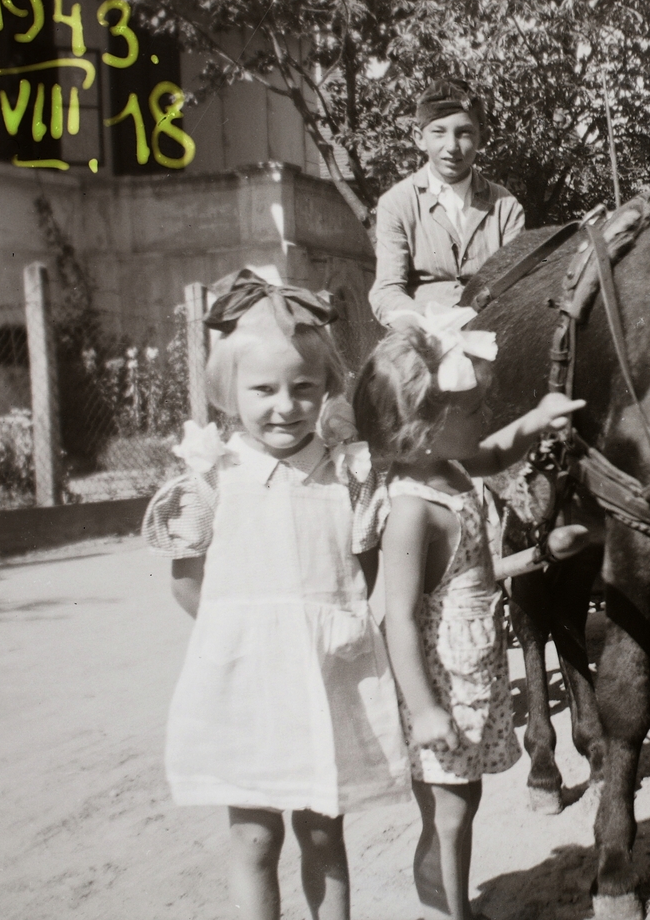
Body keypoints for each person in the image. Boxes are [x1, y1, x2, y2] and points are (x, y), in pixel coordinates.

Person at [142, 268, 407, 920]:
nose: (285, 405)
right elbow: (187, 579)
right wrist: (235, 641)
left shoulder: (345, 469)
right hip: (251, 685)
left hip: (327, 676)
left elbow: (371, 563)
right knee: (254, 835)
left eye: (303, 388)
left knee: (324, 830)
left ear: (326, 389)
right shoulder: (214, 476)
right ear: (229, 389)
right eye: (263, 389)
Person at [353, 304, 582, 920]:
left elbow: (491, 457)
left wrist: (537, 420)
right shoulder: (411, 511)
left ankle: (446, 905)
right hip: (440, 688)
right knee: (450, 812)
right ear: (425, 432)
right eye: (476, 410)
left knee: (463, 802)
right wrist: (425, 710)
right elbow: (397, 616)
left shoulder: (451, 468)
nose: (486, 419)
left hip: (470, 677)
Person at [370, 79, 526, 324]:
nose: (451, 146)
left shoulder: (506, 206)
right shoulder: (397, 203)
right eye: (438, 132)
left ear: (482, 139)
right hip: (422, 338)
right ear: (419, 138)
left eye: (464, 133)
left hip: (490, 335)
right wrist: (426, 323)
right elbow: (386, 292)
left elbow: (518, 284)